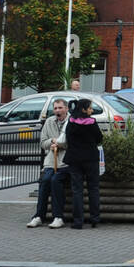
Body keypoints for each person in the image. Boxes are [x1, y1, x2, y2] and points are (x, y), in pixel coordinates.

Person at [27, 98, 70, 228]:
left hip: (67, 162)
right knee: (45, 181)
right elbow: (42, 142)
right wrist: (52, 142)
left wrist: (60, 144)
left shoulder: (72, 121)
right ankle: (39, 216)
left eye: (60, 108)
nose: (57, 111)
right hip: (51, 161)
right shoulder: (49, 122)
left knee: (55, 181)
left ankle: (58, 217)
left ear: (66, 109)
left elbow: (73, 142)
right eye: (55, 108)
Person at [63, 97, 103, 228]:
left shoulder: (71, 122)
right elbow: (99, 138)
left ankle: (78, 221)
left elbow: (67, 139)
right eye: (90, 108)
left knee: (77, 190)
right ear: (84, 109)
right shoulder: (92, 122)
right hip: (91, 158)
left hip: (74, 159)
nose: (92, 110)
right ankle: (94, 219)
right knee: (93, 188)